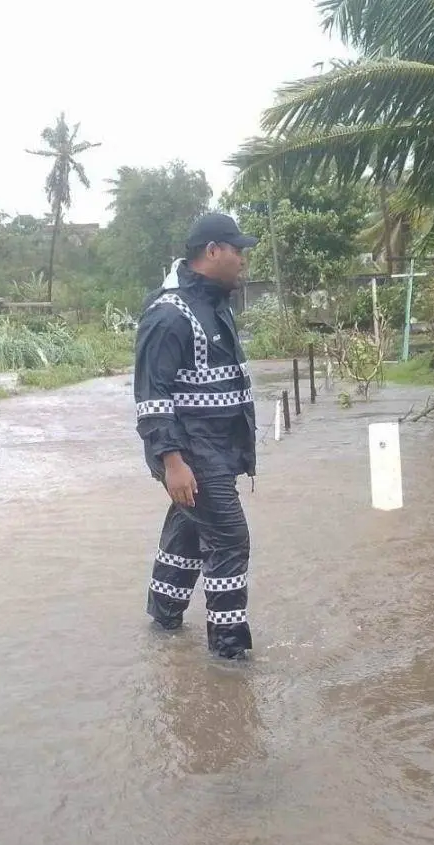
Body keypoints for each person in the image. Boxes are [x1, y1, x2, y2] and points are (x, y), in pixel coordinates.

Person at [133, 213, 259, 660]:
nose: (243, 259)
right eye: (237, 250)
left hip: (217, 449)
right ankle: (229, 655)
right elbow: (151, 397)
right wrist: (172, 462)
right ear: (213, 252)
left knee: (189, 532)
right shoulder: (170, 315)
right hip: (193, 452)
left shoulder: (215, 304)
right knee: (229, 540)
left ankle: (163, 622)